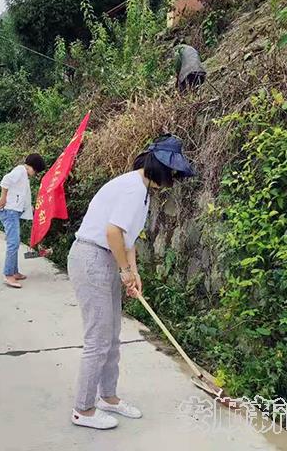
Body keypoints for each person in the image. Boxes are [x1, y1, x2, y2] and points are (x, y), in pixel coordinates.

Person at [68, 134, 195, 430]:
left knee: (111, 336)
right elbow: (112, 232)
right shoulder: (133, 190)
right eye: (173, 173)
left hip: (106, 258)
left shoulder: (143, 191)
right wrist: (124, 270)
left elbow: (128, 237)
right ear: (161, 167)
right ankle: (83, 409)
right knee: (98, 339)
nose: (173, 179)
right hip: (92, 257)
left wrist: (132, 270)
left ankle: (108, 397)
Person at [0, 153, 46, 289]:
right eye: (35, 171)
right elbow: (5, 181)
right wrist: (3, 198)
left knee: (15, 242)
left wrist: (28, 207)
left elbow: (22, 193)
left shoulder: (23, 175)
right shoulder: (19, 171)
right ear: (32, 167)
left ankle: (14, 271)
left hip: (14, 211)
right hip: (9, 211)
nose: (35, 174)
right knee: (13, 243)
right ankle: (8, 275)